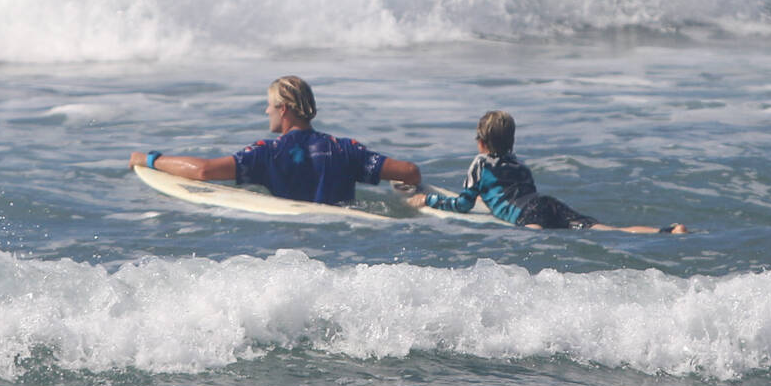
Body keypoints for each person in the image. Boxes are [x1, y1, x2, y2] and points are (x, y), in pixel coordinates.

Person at [129, 76, 421, 205]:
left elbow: (203, 171)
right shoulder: (345, 149)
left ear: (284, 110)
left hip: (293, 241)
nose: (266, 111)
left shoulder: (267, 154)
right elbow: (409, 172)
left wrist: (150, 159)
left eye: (269, 105)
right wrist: (402, 188)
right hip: (344, 230)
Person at [408, 110, 687, 233]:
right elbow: (516, 192)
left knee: (533, 236)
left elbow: (463, 203)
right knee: (602, 228)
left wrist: (429, 200)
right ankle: (667, 230)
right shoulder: (521, 165)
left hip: (527, 214)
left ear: (481, 142)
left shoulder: (479, 165)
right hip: (547, 202)